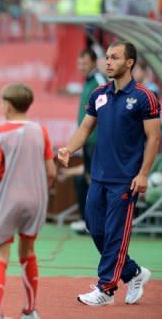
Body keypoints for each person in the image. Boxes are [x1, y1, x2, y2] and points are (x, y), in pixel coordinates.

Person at [58, 41, 159, 306]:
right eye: (107, 57)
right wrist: (69, 148)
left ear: (130, 63)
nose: (108, 62)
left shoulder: (144, 96)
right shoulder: (98, 94)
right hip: (100, 177)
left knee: (115, 233)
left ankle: (106, 288)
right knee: (94, 226)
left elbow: (153, 138)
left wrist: (144, 174)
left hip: (126, 179)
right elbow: (85, 128)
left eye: (114, 57)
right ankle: (133, 273)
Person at [0, 83, 56, 319]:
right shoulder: (40, 130)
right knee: (29, 252)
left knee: (0, 253)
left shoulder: (0, 131)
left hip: (8, 198)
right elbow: (51, 171)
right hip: (36, 199)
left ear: (8, 104)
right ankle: (30, 310)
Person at [69, 48, 107, 234]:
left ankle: (96, 222)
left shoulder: (100, 81)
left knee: (95, 179)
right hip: (88, 140)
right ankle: (88, 221)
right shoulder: (88, 82)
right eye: (79, 64)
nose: (81, 67)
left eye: (84, 63)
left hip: (98, 140)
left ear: (93, 62)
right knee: (87, 177)